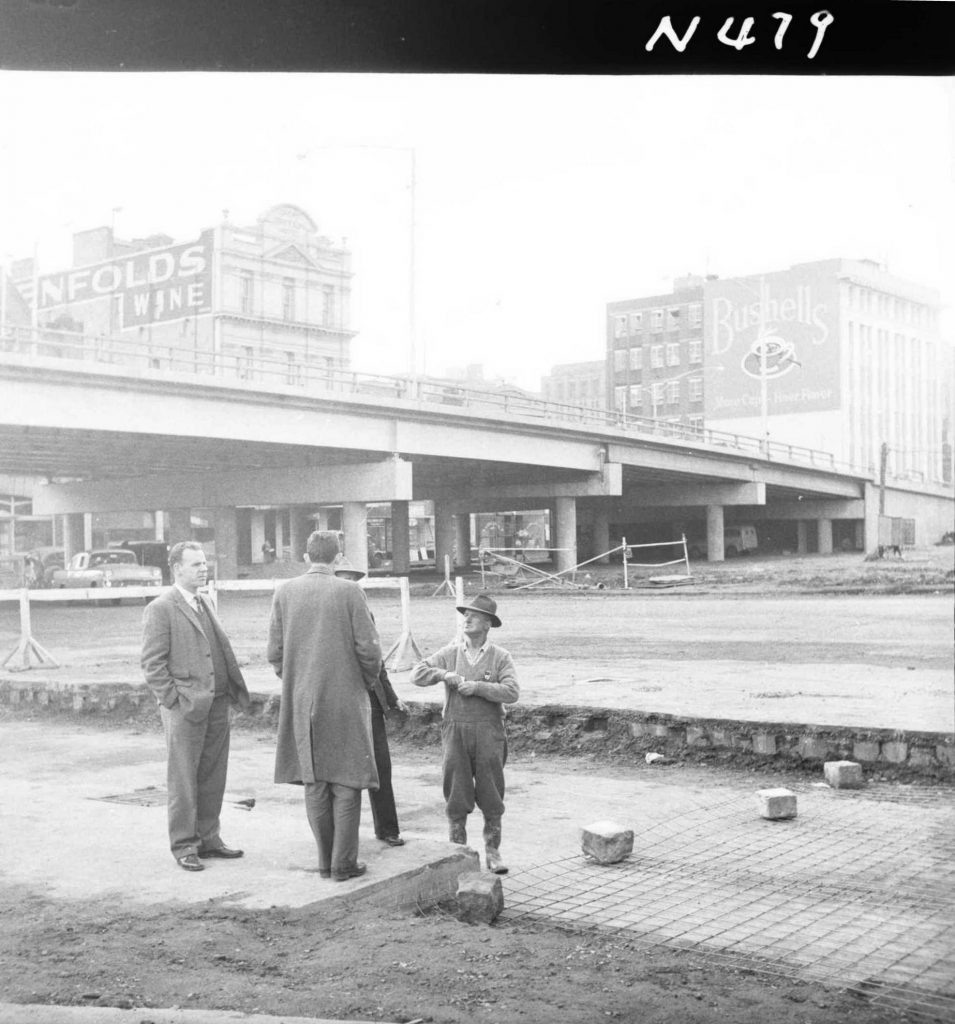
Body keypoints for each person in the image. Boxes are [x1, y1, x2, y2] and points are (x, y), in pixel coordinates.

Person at [268, 531, 382, 881]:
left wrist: (296, 678)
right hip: (346, 698)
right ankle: (343, 864)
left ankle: (324, 861)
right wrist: (363, 681)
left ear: (306, 556)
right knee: (347, 781)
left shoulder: (285, 592)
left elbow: (275, 653)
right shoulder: (350, 591)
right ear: (338, 558)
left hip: (302, 698)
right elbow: (369, 649)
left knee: (315, 781)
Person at [141, 541, 250, 872]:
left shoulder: (205, 602)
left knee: (214, 775)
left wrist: (227, 695)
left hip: (217, 704)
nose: (204, 569)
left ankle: (209, 837)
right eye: (196, 564)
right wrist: (175, 701)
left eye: (204, 563)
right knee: (184, 779)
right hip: (186, 708)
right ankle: (184, 845)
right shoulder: (162, 608)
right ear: (177, 569)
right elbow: (152, 664)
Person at [411, 593, 519, 873]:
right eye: (465, 615)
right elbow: (417, 673)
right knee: (456, 793)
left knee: (491, 792)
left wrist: (479, 688)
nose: (466, 619)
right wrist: (444, 675)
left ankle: (493, 853)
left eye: (474, 616)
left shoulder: (500, 657)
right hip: (455, 730)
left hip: (489, 731)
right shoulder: (450, 653)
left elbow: (512, 692)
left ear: (487, 624)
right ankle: (458, 854)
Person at [333, 556, 406, 848]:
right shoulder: (327, 619)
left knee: (380, 766)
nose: (351, 585)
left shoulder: (365, 613)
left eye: (354, 580)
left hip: (370, 700)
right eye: (344, 579)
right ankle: (339, 836)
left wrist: (391, 698)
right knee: (340, 769)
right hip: (339, 702)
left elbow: (378, 663)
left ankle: (387, 829)